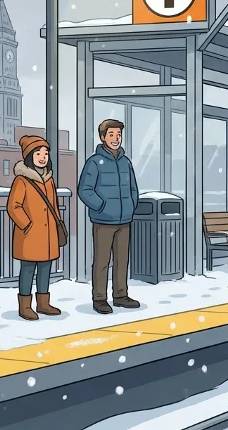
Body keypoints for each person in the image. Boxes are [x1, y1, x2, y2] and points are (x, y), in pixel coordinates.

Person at [77, 119, 141, 314]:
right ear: (103, 137)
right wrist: (101, 206)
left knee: (122, 260)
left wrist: (131, 205)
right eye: (111, 134)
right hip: (103, 221)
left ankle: (120, 295)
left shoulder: (126, 161)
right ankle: (99, 298)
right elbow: (84, 190)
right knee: (102, 261)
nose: (116, 138)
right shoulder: (94, 162)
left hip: (124, 220)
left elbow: (133, 188)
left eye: (118, 135)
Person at [7, 136, 64, 321]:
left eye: (45, 153)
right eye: (38, 153)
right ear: (29, 156)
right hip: (30, 235)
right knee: (28, 269)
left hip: (48, 235)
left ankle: (43, 303)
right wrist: (27, 224)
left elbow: (54, 206)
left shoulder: (49, 179)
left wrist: (56, 225)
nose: (42, 157)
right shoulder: (22, 180)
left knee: (45, 268)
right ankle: (25, 306)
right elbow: (13, 206)